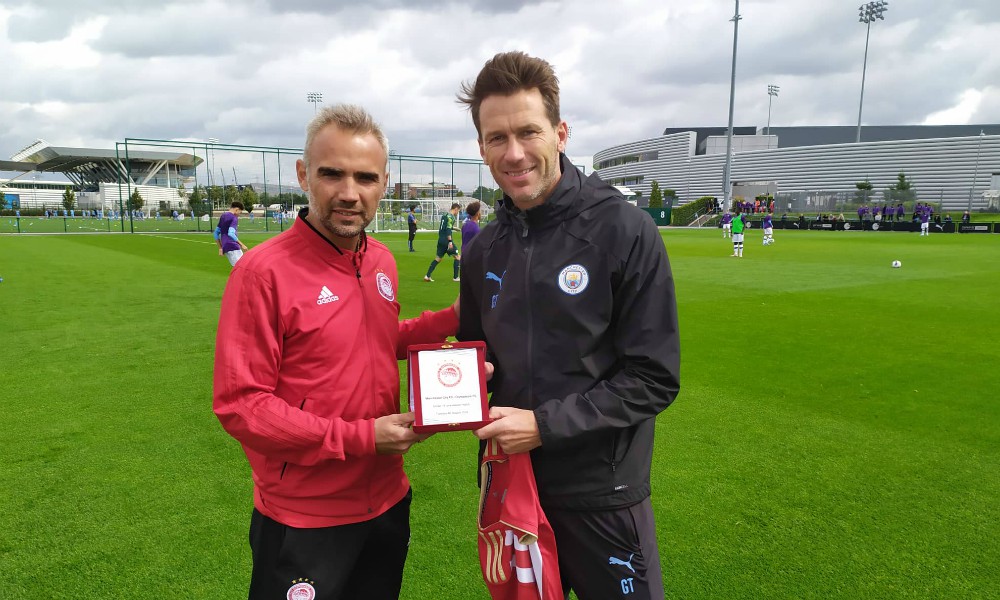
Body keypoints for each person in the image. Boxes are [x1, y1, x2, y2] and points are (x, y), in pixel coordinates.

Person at [456, 51, 680, 599]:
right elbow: (478, 351)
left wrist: (544, 425)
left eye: (528, 132)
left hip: (603, 492)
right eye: (496, 138)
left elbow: (653, 377)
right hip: (513, 486)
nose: (514, 153)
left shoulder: (625, 230)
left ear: (560, 133)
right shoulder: (484, 248)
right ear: (482, 147)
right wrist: (469, 378)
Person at [213, 104, 459, 600]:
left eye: (365, 177)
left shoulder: (381, 259)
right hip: (306, 517)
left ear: (384, 183)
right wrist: (362, 437)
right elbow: (242, 405)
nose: (350, 192)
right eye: (332, 174)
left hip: (388, 501)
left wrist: (458, 317)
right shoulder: (262, 273)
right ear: (304, 175)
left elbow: (372, 340)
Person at [424, 202, 461, 282]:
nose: (458, 213)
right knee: (458, 257)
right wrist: (450, 242)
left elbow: (445, 226)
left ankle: (427, 276)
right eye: (458, 211)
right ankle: (455, 277)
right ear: (456, 209)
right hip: (446, 240)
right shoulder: (451, 217)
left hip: (440, 240)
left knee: (438, 258)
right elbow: (448, 229)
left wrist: (454, 228)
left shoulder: (445, 215)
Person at [214, 201, 249, 266]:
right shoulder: (234, 218)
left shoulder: (223, 216)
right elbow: (231, 233)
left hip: (225, 246)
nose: (239, 214)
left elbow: (216, 233)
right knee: (241, 267)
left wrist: (220, 248)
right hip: (233, 246)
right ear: (237, 209)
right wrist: (242, 245)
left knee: (238, 267)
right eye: (240, 212)